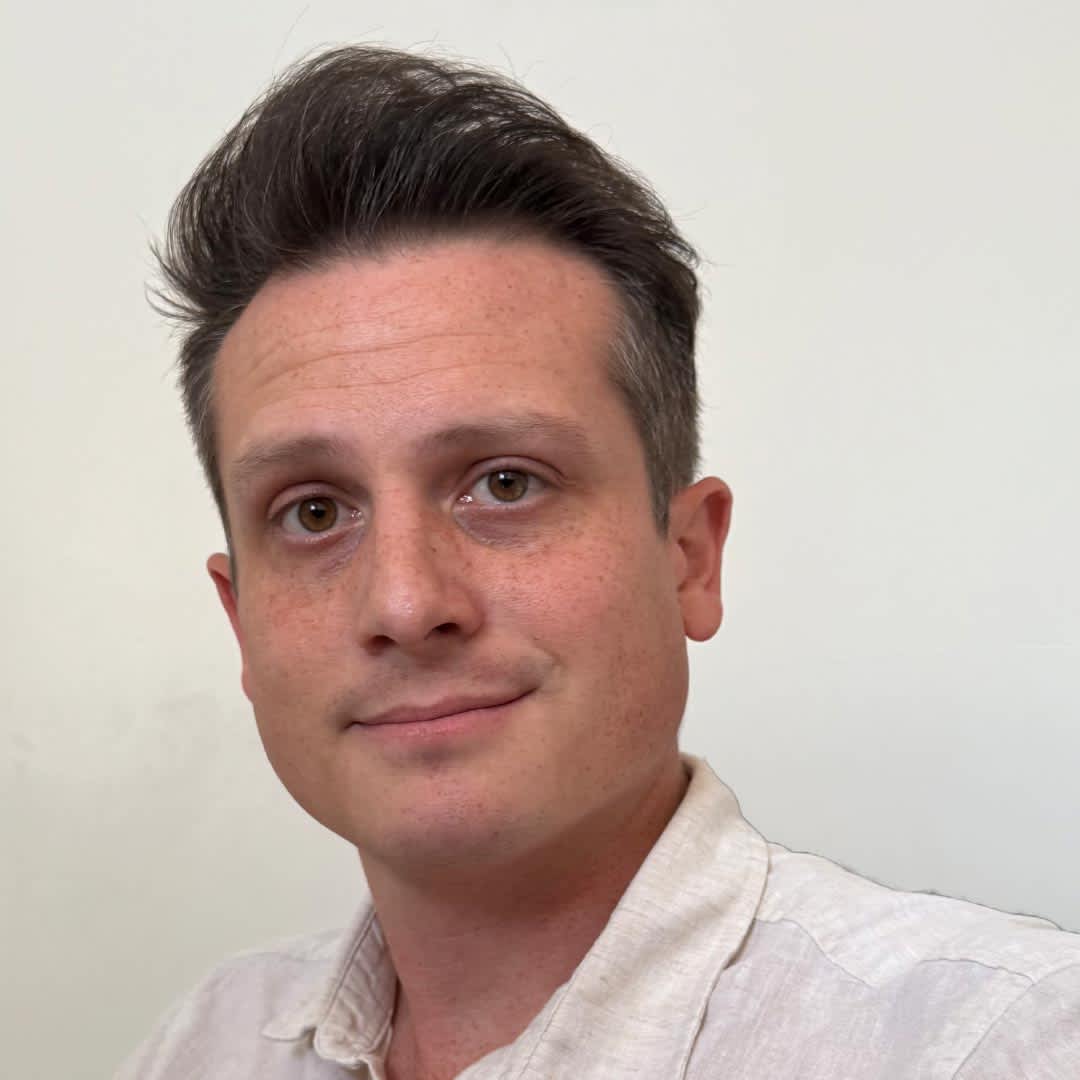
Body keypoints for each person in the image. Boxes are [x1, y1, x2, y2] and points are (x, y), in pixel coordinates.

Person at [119, 44, 1079, 1080]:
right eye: (313, 512)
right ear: (241, 622)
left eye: (505, 483)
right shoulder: (207, 1045)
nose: (402, 601)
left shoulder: (994, 1045)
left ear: (689, 559)